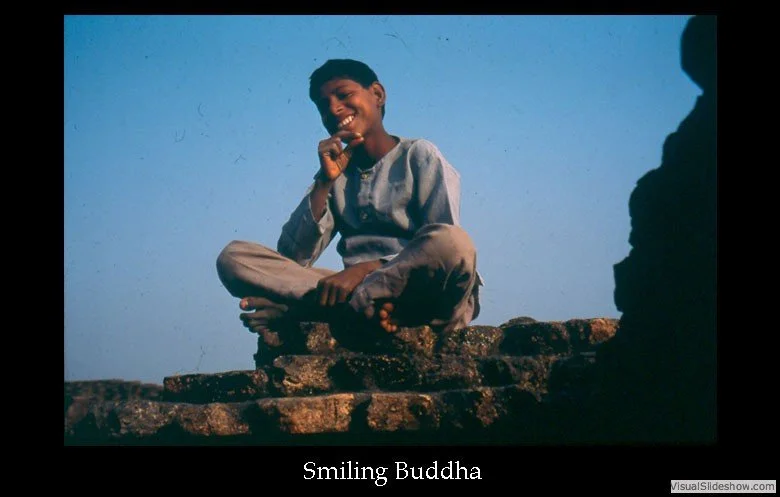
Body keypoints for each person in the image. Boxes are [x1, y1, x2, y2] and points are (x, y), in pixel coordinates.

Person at [216, 59, 483, 340]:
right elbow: (293, 258)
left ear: (377, 95)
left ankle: (299, 310)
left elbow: (441, 249)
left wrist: (365, 270)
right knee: (233, 257)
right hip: (354, 291)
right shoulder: (336, 174)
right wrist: (324, 181)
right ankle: (364, 309)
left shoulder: (419, 155)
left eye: (343, 95)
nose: (333, 109)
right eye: (323, 105)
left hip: (419, 291)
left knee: (454, 242)